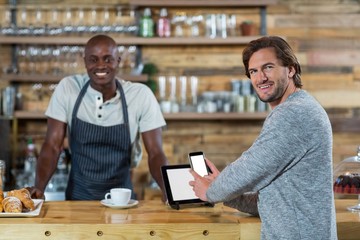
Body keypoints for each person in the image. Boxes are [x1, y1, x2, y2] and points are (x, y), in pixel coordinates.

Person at [189, 36, 337, 239]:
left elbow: (250, 168)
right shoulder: (298, 107)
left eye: (268, 67)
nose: (261, 78)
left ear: (291, 69)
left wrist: (212, 191)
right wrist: (226, 193)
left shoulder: (294, 114)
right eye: (253, 71)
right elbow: (270, 198)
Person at [29, 34, 168, 201]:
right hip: (77, 200)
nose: (101, 65)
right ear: (85, 62)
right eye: (93, 60)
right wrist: (38, 188)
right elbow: (52, 145)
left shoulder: (140, 95)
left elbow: (155, 152)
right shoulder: (68, 88)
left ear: (118, 60)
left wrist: (168, 190)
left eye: (108, 59)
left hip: (122, 201)